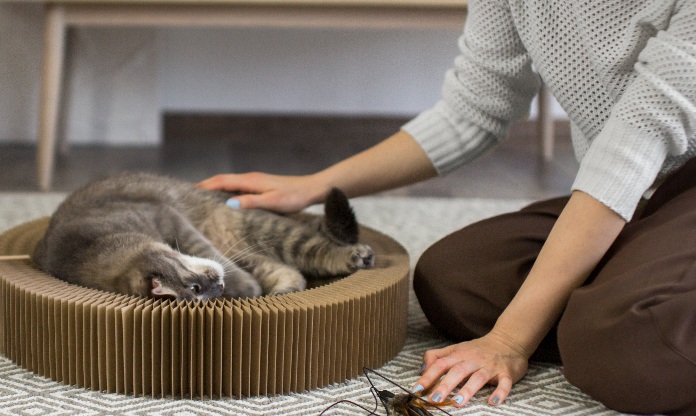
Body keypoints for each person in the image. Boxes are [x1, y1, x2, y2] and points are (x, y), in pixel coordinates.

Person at [197, 1, 696, 414]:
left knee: (629, 349)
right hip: (644, 198)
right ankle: (627, 297)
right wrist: (313, 186)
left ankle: (619, 323)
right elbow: (473, 110)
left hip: (668, 183)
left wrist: (510, 342)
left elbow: (632, 151)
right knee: (454, 280)